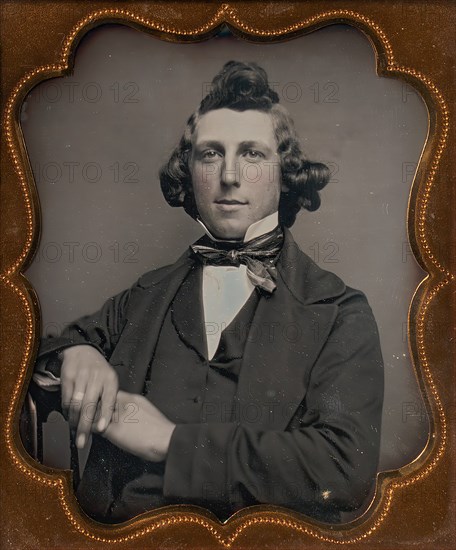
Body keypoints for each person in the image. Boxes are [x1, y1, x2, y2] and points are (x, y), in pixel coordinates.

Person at [30, 61, 384, 524]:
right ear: (189, 171)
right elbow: (48, 350)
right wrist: (76, 354)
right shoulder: (145, 295)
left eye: (253, 155)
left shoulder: (340, 312)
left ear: (286, 173)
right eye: (210, 154)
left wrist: (169, 443)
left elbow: (343, 468)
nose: (230, 176)